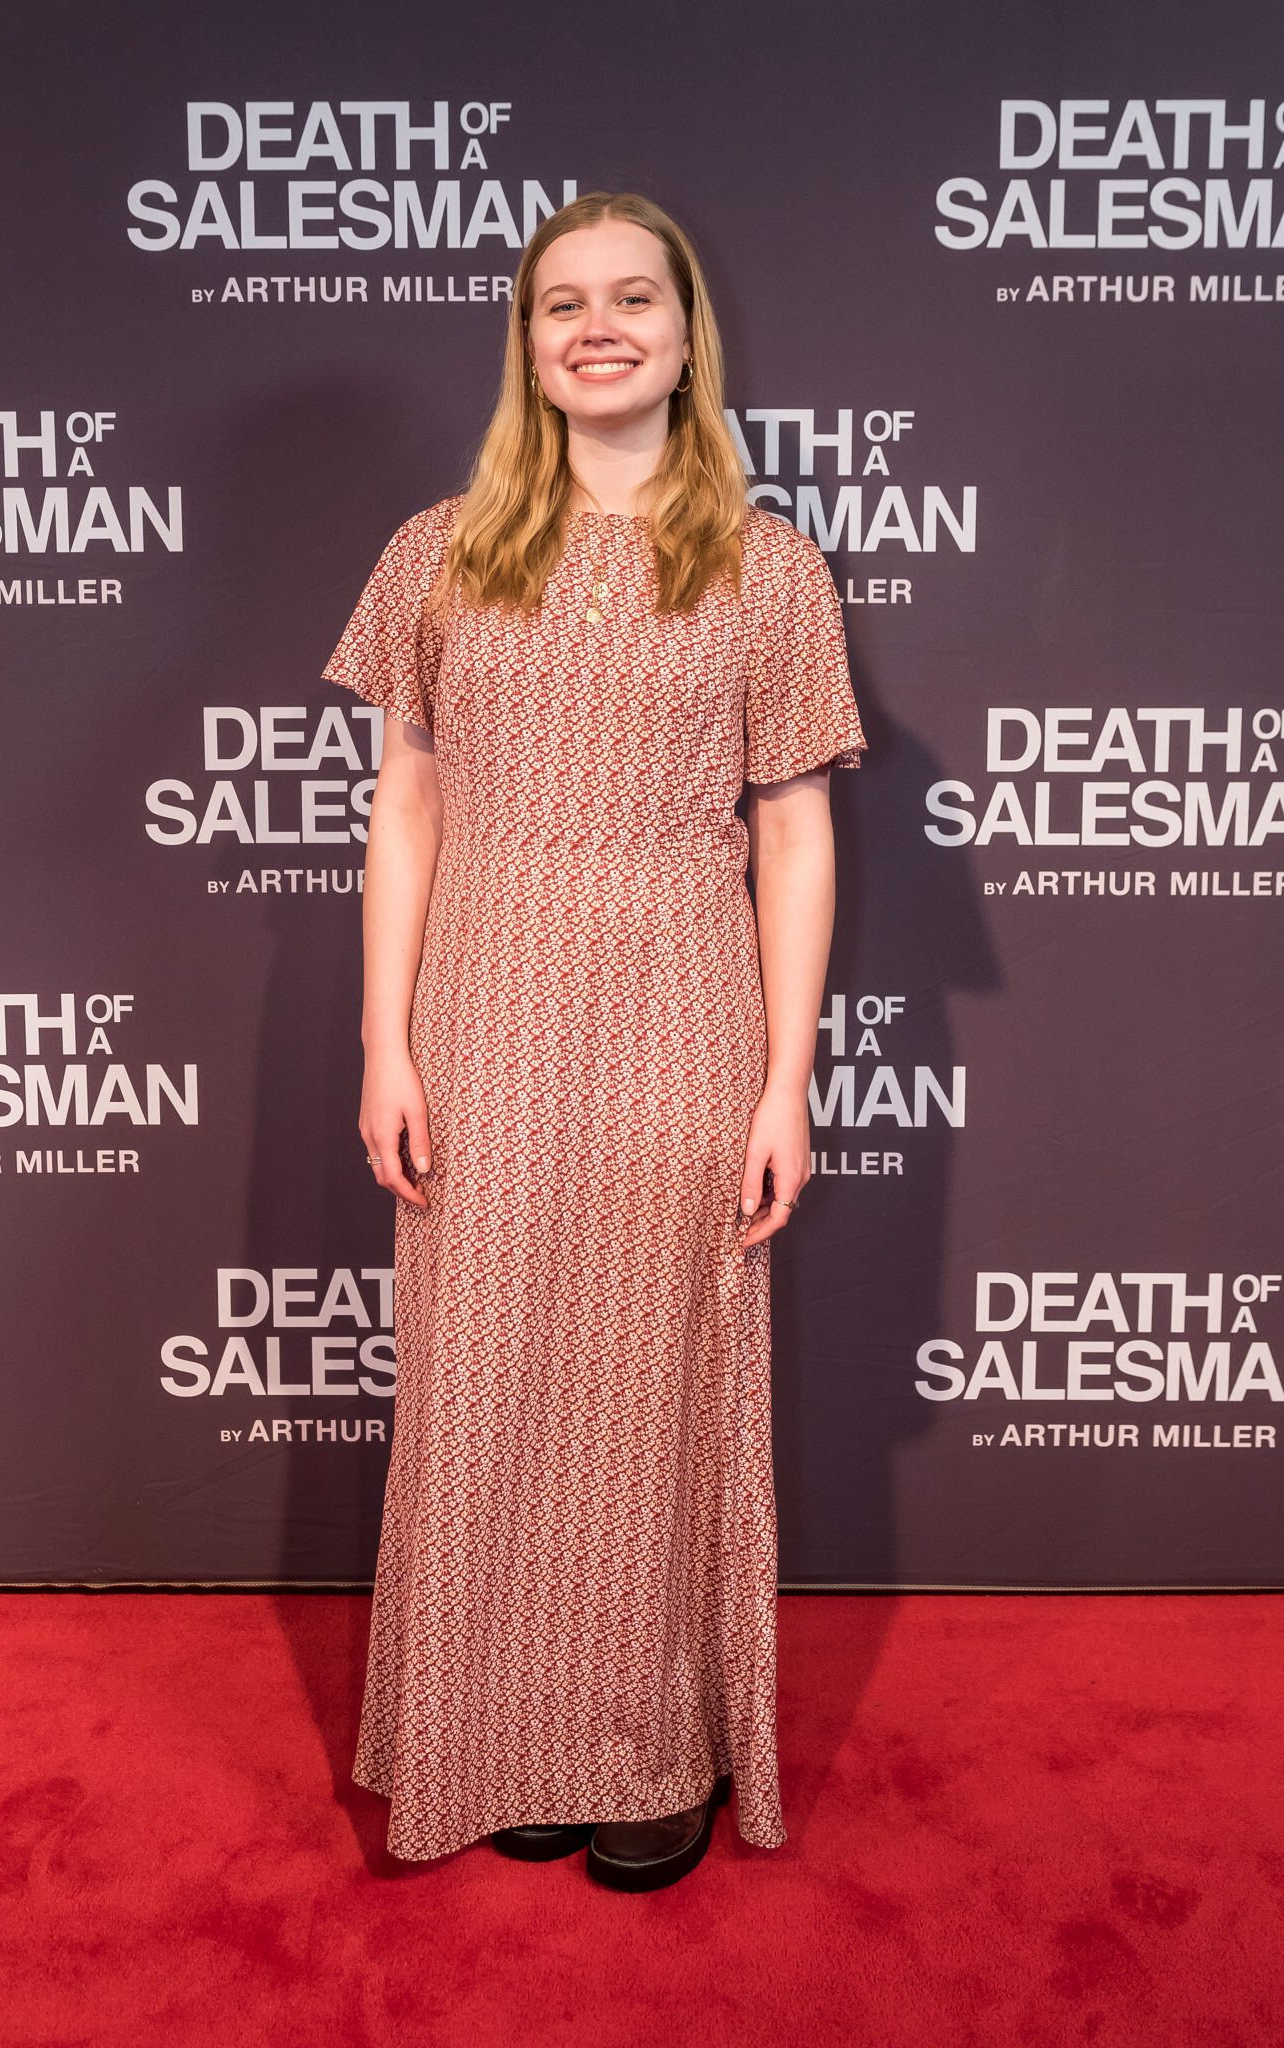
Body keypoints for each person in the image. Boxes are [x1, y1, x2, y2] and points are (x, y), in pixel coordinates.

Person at [320, 190, 867, 1892]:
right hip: (480, 1005)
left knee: (654, 1391)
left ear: (689, 337)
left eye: (635, 298)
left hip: (676, 1012)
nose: (599, 328)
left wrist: (785, 1081)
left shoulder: (767, 567)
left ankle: (649, 1747)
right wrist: (385, 1043)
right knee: (483, 1378)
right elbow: (406, 806)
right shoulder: (438, 549)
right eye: (564, 304)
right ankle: (500, 1736)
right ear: (528, 344)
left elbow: (795, 834)